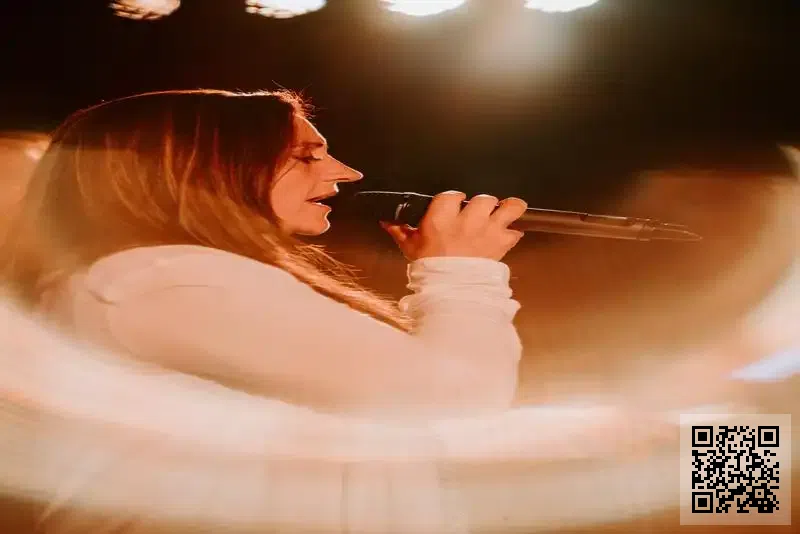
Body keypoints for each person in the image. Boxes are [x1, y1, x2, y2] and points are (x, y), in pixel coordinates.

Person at [1, 89, 528, 418]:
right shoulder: (174, 282)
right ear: (202, 168)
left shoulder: (156, 280)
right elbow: (455, 403)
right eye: (306, 155)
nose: (347, 173)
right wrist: (461, 273)